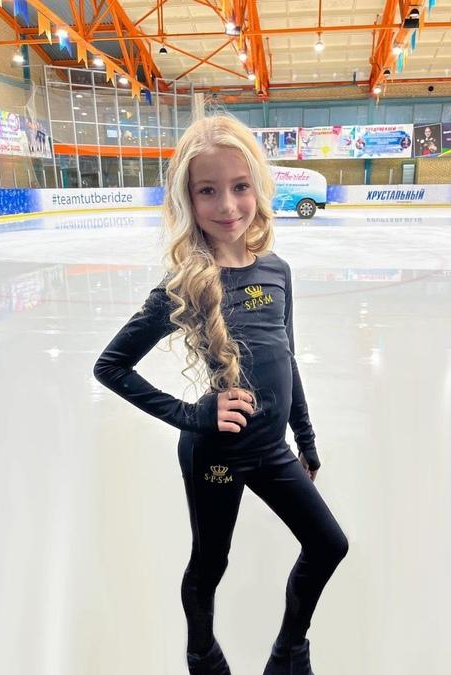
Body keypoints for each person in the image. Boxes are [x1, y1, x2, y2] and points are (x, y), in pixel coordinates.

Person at [93, 115, 349, 675]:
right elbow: (110, 366)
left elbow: (287, 357)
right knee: (211, 563)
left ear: (258, 186)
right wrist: (192, 414)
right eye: (207, 190)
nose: (228, 205)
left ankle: (289, 650)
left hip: (273, 448)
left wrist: (305, 439)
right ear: (187, 200)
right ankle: (202, 654)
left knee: (329, 544)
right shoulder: (184, 284)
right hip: (217, 453)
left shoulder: (277, 271)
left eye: (240, 186)